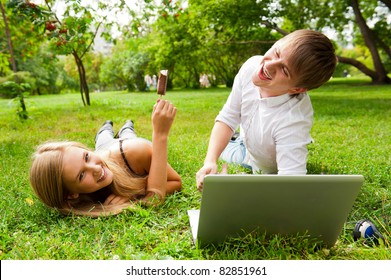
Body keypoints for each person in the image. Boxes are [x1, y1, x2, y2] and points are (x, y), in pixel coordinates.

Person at [196, 29, 337, 191]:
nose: (268, 65)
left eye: (284, 70)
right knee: (221, 148)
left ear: (297, 89)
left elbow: (290, 185)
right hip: (247, 143)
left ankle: (240, 141)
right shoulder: (252, 66)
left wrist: (231, 187)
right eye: (277, 53)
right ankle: (237, 138)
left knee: (233, 153)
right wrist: (210, 162)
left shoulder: (293, 119)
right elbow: (228, 117)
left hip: (255, 161)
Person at [30, 99, 182, 217]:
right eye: (82, 175)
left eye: (86, 157)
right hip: (104, 150)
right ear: (72, 194)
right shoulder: (81, 198)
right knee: (104, 140)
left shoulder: (136, 151)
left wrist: (135, 195)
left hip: (123, 149)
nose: (95, 169)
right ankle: (106, 131)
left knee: (125, 134)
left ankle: (123, 127)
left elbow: (175, 182)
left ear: (86, 150)